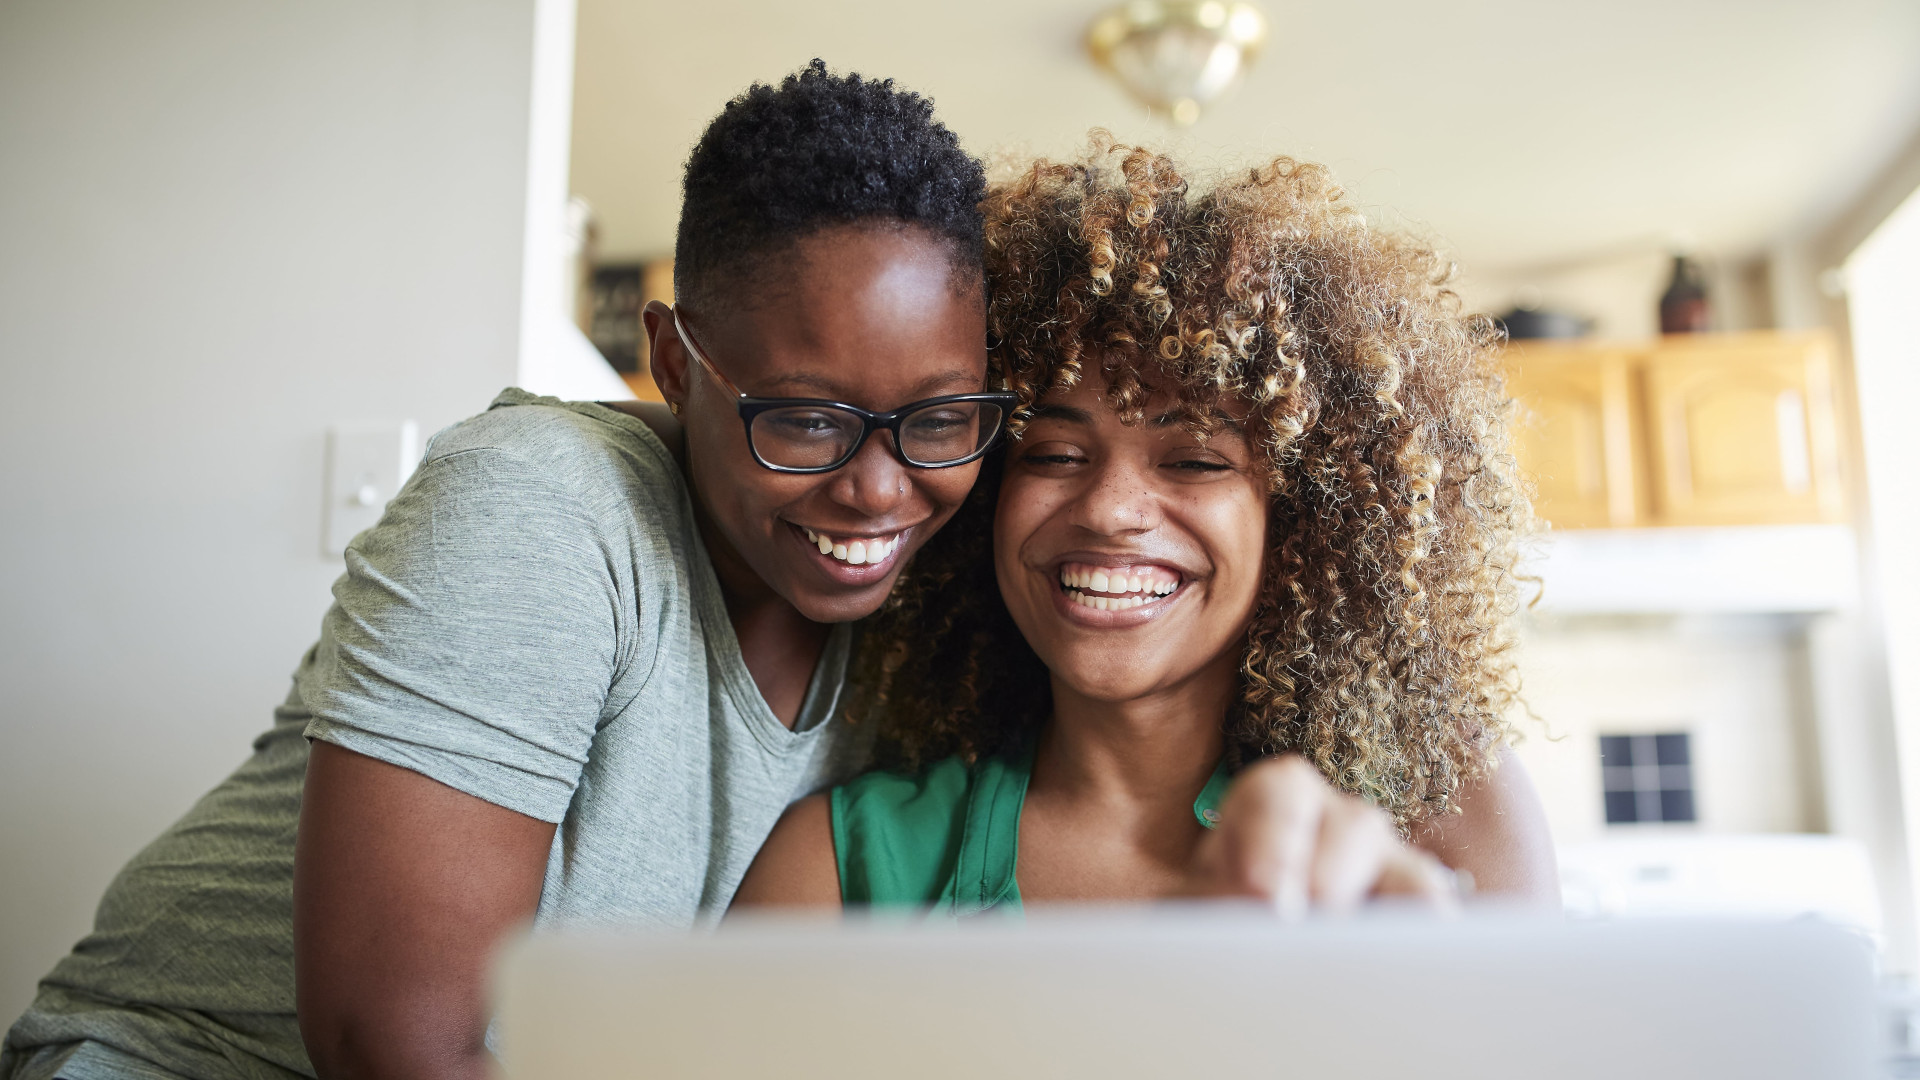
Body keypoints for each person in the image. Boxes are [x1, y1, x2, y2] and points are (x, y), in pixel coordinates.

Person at [2, 62, 1007, 1080]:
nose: (880, 492)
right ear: (671, 359)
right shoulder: (540, 504)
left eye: (939, 419)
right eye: (804, 418)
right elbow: (395, 1053)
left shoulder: (934, 609)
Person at [733, 142, 1558, 913]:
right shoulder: (837, 871)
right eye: (1053, 453)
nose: (1106, 509)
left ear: (1303, 514)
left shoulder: (1446, 813)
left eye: (1195, 461)